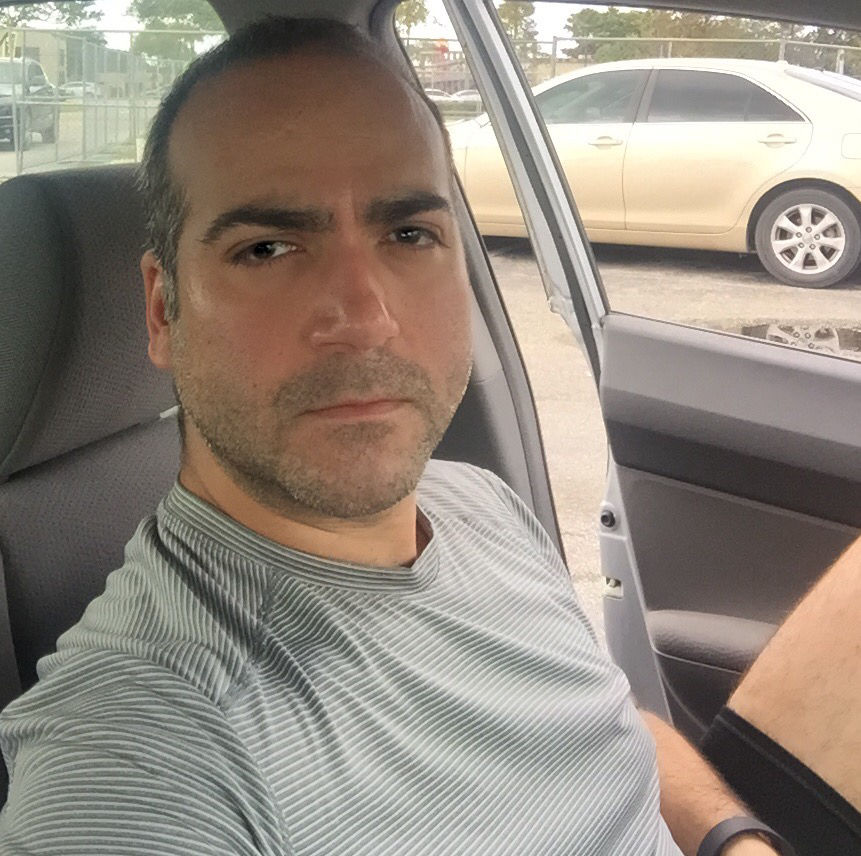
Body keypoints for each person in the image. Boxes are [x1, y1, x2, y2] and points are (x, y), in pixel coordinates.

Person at [0, 16, 846, 856]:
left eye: (408, 235)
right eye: (267, 249)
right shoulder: (128, 760)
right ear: (162, 311)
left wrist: (733, 841)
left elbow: (605, 726)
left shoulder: (477, 504)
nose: (365, 318)